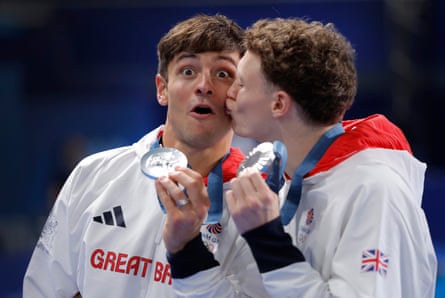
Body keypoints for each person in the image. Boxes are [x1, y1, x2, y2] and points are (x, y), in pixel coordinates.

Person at [23, 14, 268, 297]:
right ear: (162, 89)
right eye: (188, 71)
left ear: (237, 94)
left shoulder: (262, 205)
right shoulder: (92, 175)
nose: (204, 85)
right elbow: (44, 289)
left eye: (223, 73)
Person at [224, 18, 437, 297]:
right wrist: (187, 252)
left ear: (278, 104)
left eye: (240, 84)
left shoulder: (375, 189)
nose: (229, 93)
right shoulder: (291, 184)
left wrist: (268, 241)